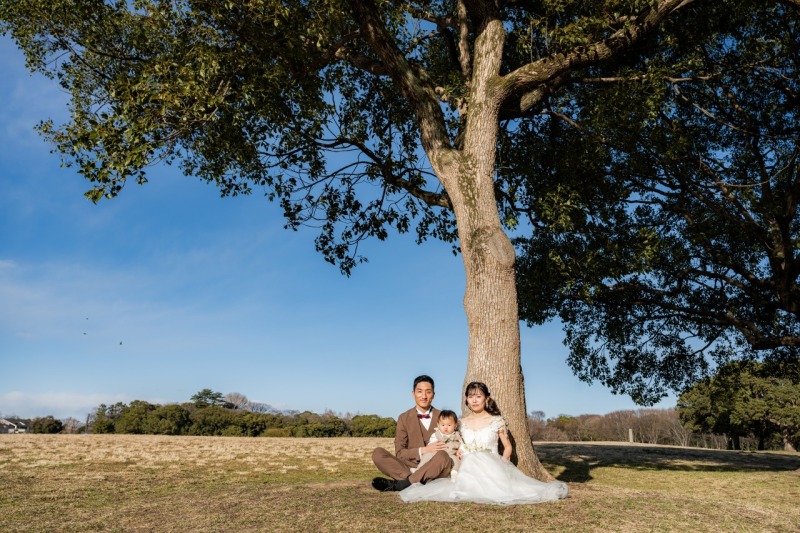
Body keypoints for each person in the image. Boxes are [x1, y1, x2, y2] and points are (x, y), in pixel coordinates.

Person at [399, 381, 569, 504]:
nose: (474, 400)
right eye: (471, 397)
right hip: (467, 465)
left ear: (486, 398)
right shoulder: (461, 422)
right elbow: (456, 443)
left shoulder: (496, 421)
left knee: (511, 490)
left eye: (478, 396)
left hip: (492, 464)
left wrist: (504, 464)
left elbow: (507, 447)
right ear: (466, 399)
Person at [371, 375, 454, 491]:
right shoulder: (403, 418)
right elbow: (400, 453)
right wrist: (424, 450)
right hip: (409, 468)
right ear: (413, 393)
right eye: (419, 392)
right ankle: (415, 480)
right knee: (378, 453)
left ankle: (403, 484)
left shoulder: (445, 417)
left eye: (428, 392)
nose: (424, 396)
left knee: (443, 456)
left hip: (436, 467)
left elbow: (455, 442)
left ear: (433, 395)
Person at [417, 409, 462, 479]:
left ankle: (454, 472)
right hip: (436, 455)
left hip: (451, 455)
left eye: (449, 425)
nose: (445, 427)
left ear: (455, 426)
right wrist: (432, 446)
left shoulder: (457, 435)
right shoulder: (436, 434)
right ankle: (419, 470)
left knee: (456, 460)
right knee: (427, 456)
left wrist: (460, 451)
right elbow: (431, 444)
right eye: (443, 425)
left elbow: (461, 444)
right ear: (438, 425)